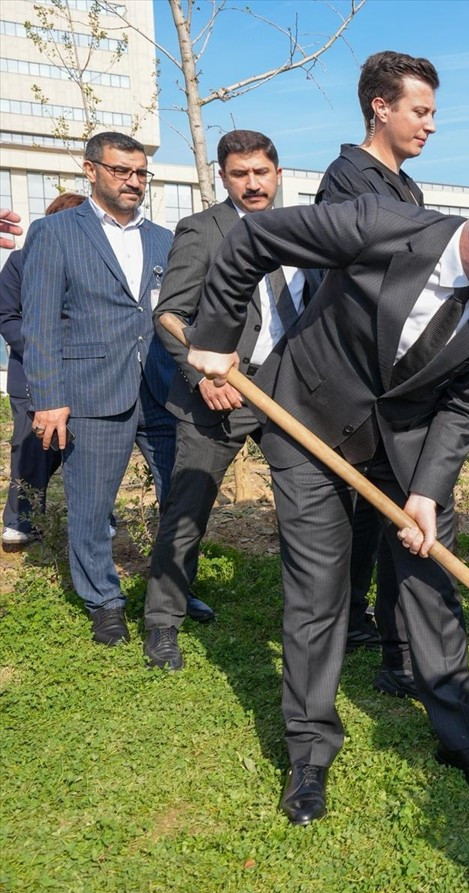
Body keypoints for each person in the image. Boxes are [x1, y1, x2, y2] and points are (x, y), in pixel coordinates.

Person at [184, 177, 469, 823]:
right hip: (307, 421)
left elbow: (465, 407)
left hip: (408, 450)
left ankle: (462, 739)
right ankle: (310, 753)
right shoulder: (378, 226)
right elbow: (254, 238)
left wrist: (427, 493)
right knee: (318, 590)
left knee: (432, 587)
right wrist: (218, 335)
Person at [142, 130, 310, 670]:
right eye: (240, 174)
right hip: (219, 393)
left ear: (278, 173)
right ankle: (162, 622)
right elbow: (170, 314)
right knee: (188, 508)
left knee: (308, 508)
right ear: (223, 178)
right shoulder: (203, 229)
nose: (252, 183)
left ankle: (323, 618)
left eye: (261, 172)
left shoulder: (302, 230)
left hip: (288, 391)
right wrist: (203, 375)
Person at [21, 131, 178, 646]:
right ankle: (104, 601)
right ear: (91, 170)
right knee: (91, 506)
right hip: (91, 392)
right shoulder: (56, 233)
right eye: (121, 170)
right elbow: (40, 321)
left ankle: (170, 593)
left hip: (162, 391)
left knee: (180, 500)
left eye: (141, 173)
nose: (133, 181)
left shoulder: (165, 239)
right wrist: (48, 398)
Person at [315, 51, 440, 693]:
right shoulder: (347, 181)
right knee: (363, 520)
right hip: (357, 383)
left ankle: (391, 648)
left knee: (385, 516)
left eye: (433, 113)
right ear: (380, 108)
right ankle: (360, 634)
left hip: (394, 384)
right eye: (420, 111)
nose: (430, 125)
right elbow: (362, 280)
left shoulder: (405, 187)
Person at [1, 194, 84, 550]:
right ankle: (22, 520)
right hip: (31, 374)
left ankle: (96, 517)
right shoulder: (20, 261)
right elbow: (8, 316)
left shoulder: (93, 262)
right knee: (32, 446)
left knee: (88, 446)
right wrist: (42, 352)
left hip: (85, 371)